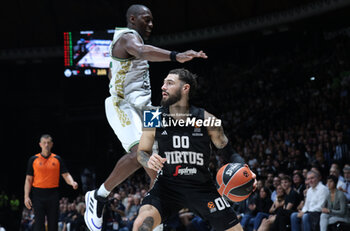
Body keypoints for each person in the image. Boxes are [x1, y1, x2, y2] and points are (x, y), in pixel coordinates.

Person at [84, 5, 207, 231]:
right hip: (123, 105)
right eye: (146, 20)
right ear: (133, 19)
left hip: (146, 109)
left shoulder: (128, 42)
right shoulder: (127, 38)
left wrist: (116, 76)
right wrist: (175, 56)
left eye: (152, 21)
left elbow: (116, 69)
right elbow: (140, 51)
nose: (151, 24)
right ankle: (98, 196)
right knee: (138, 153)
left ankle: (155, 223)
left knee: (159, 166)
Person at [132, 68, 256, 231]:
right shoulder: (153, 117)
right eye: (163, 83)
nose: (163, 87)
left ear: (185, 88)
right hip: (168, 186)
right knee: (141, 224)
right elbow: (141, 152)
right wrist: (148, 159)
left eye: (169, 83)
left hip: (202, 187)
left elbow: (229, 152)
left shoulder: (208, 119)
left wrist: (246, 170)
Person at [24, 134, 78, 231]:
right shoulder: (33, 159)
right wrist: (26, 196)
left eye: (48, 143)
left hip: (53, 195)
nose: (46, 145)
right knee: (39, 225)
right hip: (38, 195)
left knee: (53, 224)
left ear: (52, 144)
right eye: (44, 143)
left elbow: (66, 175)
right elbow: (28, 179)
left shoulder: (57, 159)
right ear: (40, 144)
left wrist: (72, 182)